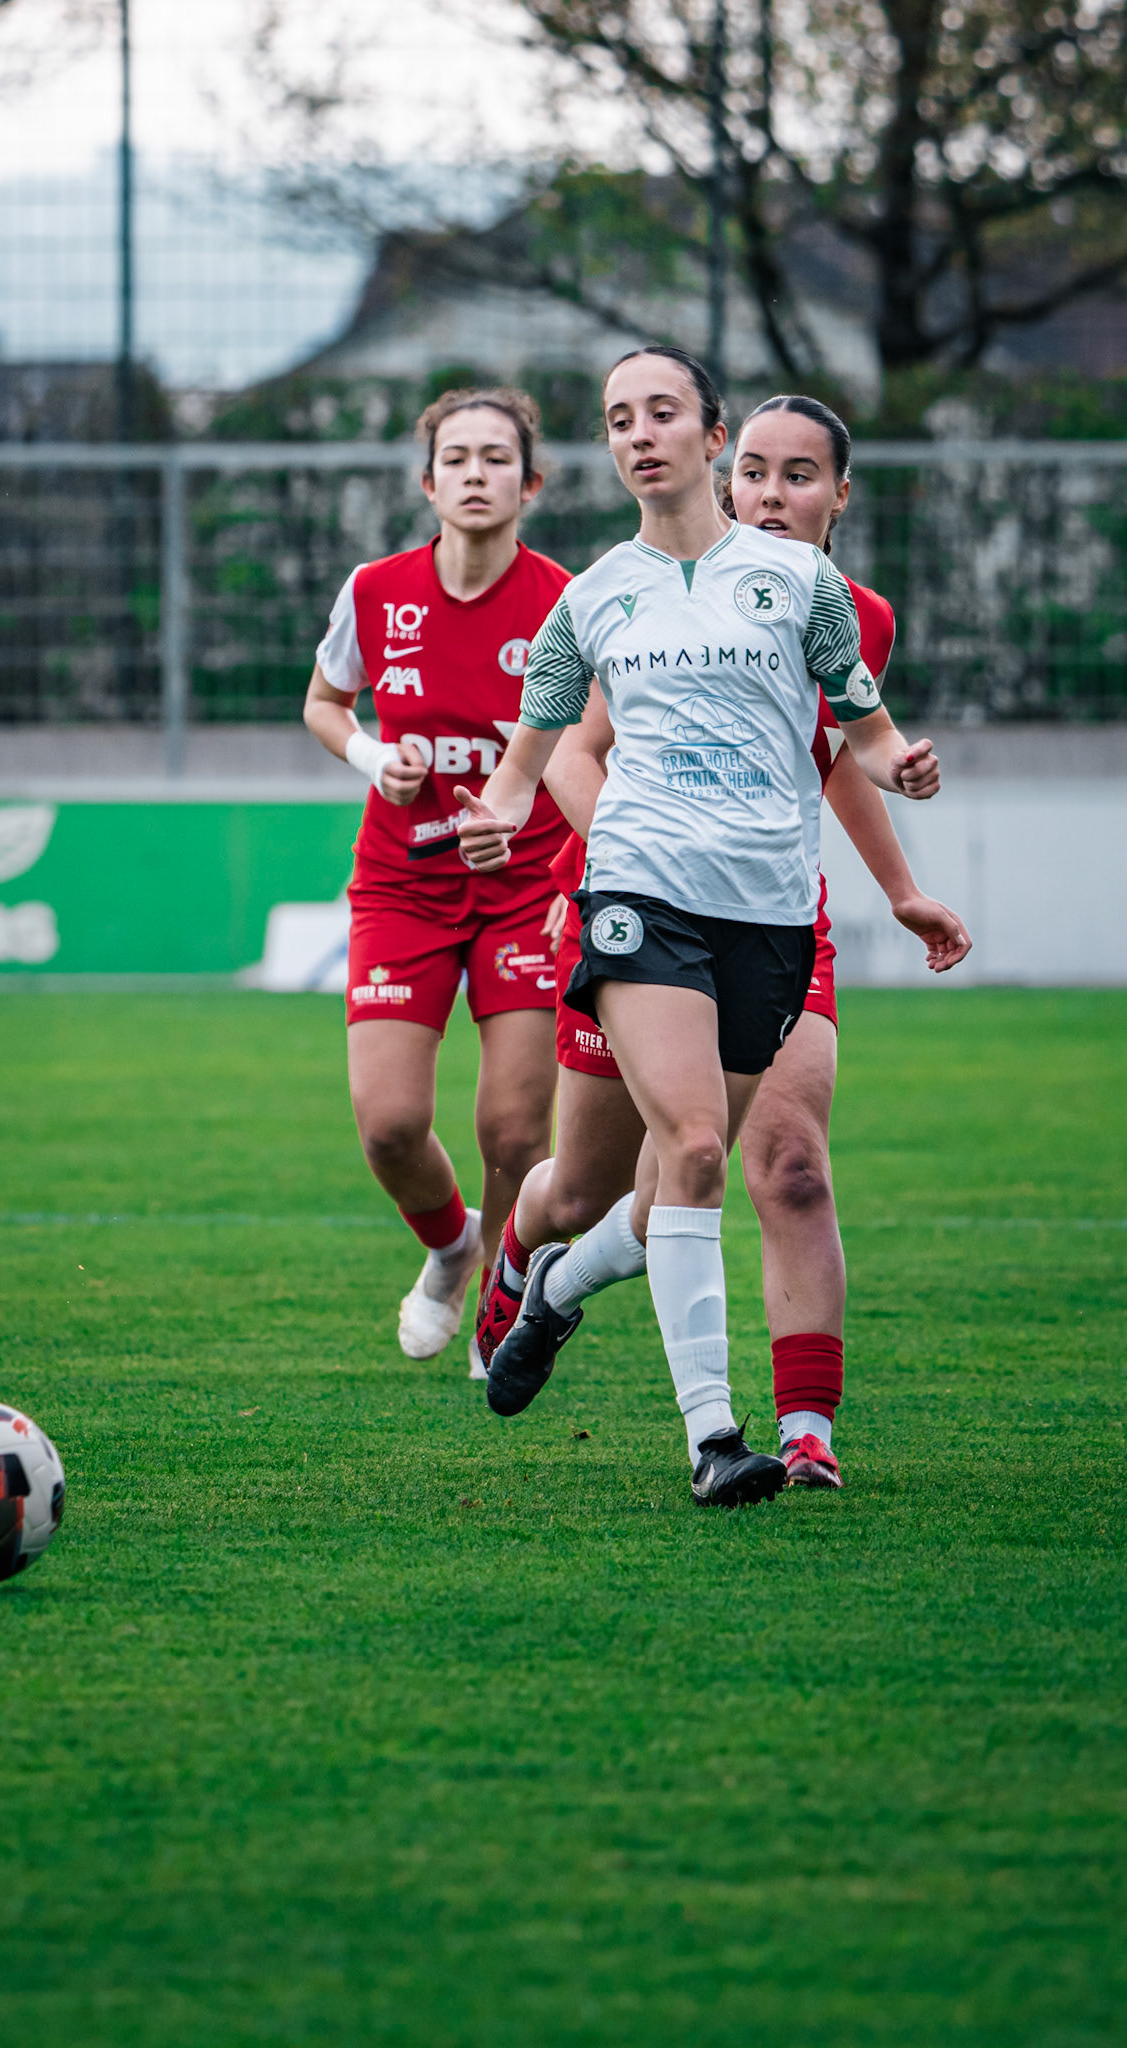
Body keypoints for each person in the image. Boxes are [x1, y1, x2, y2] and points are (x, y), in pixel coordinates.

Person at [456, 345, 943, 1508]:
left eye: (662, 412)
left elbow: (862, 737)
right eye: (620, 417)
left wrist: (903, 772)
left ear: (704, 436)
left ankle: (559, 1287)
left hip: (770, 911)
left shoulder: (816, 595)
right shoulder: (595, 593)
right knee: (700, 1152)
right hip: (637, 894)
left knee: (669, 1176)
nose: (639, 433)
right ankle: (720, 1438)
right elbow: (535, 758)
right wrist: (502, 813)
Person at [304, 387, 571, 1368]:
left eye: (495, 457)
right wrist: (377, 760)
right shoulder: (375, 590)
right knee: (389, 1126)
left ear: (530, 482)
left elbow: (603, 744)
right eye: (455, 457)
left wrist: (543, 831)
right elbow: (326, 702)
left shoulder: (565, 601)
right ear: (427, 483)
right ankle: (452, 1246)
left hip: (530, 886)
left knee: (512, 1127)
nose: (473, 472)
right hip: (402, 884)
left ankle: (502, 1295)